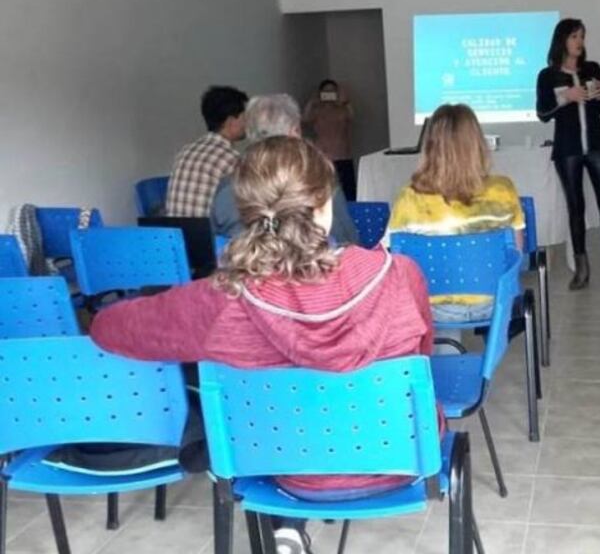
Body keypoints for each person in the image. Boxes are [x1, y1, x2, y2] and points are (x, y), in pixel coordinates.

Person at [91, 136, 435, 552]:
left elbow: (110, 329)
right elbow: (422, 360)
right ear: (325, 205)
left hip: (283, 466)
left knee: (245, 408)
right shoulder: (401, 275)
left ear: (245, 214)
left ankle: (285, 526)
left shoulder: (220, 299)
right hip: (403, 455)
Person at [386, 103, 524, 323]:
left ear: (430, 147)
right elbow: (516, 254)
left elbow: (395, 260)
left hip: (431, 307)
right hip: (495, 303)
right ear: (477, 143)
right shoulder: (504, 190)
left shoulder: (409, 197)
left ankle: (439, 353)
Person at [536, 18, 600, 290]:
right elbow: (542, 114)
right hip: (567, 149)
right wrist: (565, 97)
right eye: (574, 37)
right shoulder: (547, 76)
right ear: (562, 40)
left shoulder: (592, 69)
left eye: (582, 36)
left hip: (596, 146)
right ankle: (582, 268)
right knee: (576, 207)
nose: (580, 42)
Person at [210, 94, 358, 246]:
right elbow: (348, 241)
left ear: (250, 134)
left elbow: (214, 246)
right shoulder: (318, 179)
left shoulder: (227, 186)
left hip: (245, 266)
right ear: (295, 131)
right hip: (313, 266)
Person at [166, 86, 248, 217]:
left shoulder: (185, 152)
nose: (248, 122)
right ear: (231, 121)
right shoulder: (232, 159)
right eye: (245, 117)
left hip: (175, 236)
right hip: (210, 236)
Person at [304, 78, 356, 201]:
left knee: (348, 193)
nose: (329, 95)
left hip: (343, 156)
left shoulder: (342, 108)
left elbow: (351, 116)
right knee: (323, 191)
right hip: (323, 155)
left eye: (332, 91)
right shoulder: (316, 109)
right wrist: (313, 101)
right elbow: (305, 119)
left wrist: (344, 101)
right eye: (326, 92)